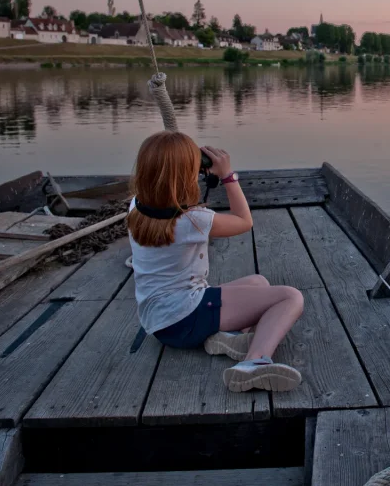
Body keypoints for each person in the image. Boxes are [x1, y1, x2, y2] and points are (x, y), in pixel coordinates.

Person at [126, 131, 304, 392]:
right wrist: (227, 175)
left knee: (259, 283)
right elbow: (245, 221)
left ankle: (225, 337)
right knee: (290, 297)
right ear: (187, 175)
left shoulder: (136, 206)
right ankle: (253, 364)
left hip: (159, 320)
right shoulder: (192, 221)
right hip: (184, 318)